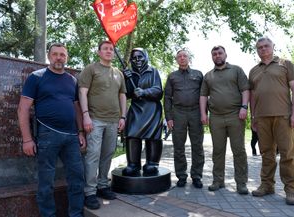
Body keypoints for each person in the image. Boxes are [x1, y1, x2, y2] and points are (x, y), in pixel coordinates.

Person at [17, 43, 86, 217]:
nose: (59, 58)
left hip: (72, 137)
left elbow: (77, 108)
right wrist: (27, 139)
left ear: (67, 58)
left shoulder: (72, 80)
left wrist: (81, 132)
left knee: (77, 179)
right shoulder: (36, 77)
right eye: (55, 54)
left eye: (62, 55)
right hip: (47, 135)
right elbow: (23, 109)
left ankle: (76, 214)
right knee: (46, 183)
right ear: (49, 56)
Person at [249, 36, 294, 205]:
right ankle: (267, 185)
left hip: (283, 116)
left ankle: (291, 190)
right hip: (262, 118)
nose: (263, 49)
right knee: (266, 153)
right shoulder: (254, 70)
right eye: (259, 47)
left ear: (273, 46)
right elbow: (252, 96)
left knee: (287, 154)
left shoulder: (285, 64)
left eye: (266, 46)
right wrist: (253, 116)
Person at [78, 40, 127, 209]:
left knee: (107, 154)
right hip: (95, 119)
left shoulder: (118, 73)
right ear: (99, 52)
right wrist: (85, 115)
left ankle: (102, 185)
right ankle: (89, 192)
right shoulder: (91, 69)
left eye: (111, 49)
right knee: (93, 155)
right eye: (105, 49)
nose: (108, 51)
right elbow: (82, 92)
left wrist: (123, 116)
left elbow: (122, 95)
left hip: (113, 120)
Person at [200, 45, 249, 195]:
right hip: (216, 117)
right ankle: (218, 180)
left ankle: (241, 183)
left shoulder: (236, 70)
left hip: (236, 115)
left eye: (220, 53)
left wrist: (244, 107)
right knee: (218, 151)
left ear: (225, 54)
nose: (217, 56)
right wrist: (203, 113)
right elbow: (203, 96)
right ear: (212, 57)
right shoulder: (208, 76)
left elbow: (245, 90)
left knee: (239, 150)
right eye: (214, 54)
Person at [164, 49, 205, 188]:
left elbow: (204, 96)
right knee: (179, 147)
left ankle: (197, 176)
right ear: (176, 60)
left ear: (189, 58)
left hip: (195, 113)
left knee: (197, 146)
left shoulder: (198, 74)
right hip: (178, 113)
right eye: (179, 56)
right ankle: (181, 176)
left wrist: (204, 114)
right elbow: (167, 98)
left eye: (184, 56)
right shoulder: (172, 76)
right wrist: (168, 117)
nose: (182, 58)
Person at [122, 48, 163, 177]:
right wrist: (127, 79)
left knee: (153, 136)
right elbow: (127, 94)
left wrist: (144, 92)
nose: (137, 60)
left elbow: (158, 91)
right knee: (132, 134)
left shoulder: (153, 71)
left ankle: (152, 163)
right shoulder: (130, 74)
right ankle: (133, 164)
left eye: (140, 57)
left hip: (152, 110)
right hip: (136, 108)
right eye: (134, 58)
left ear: (145, 57)